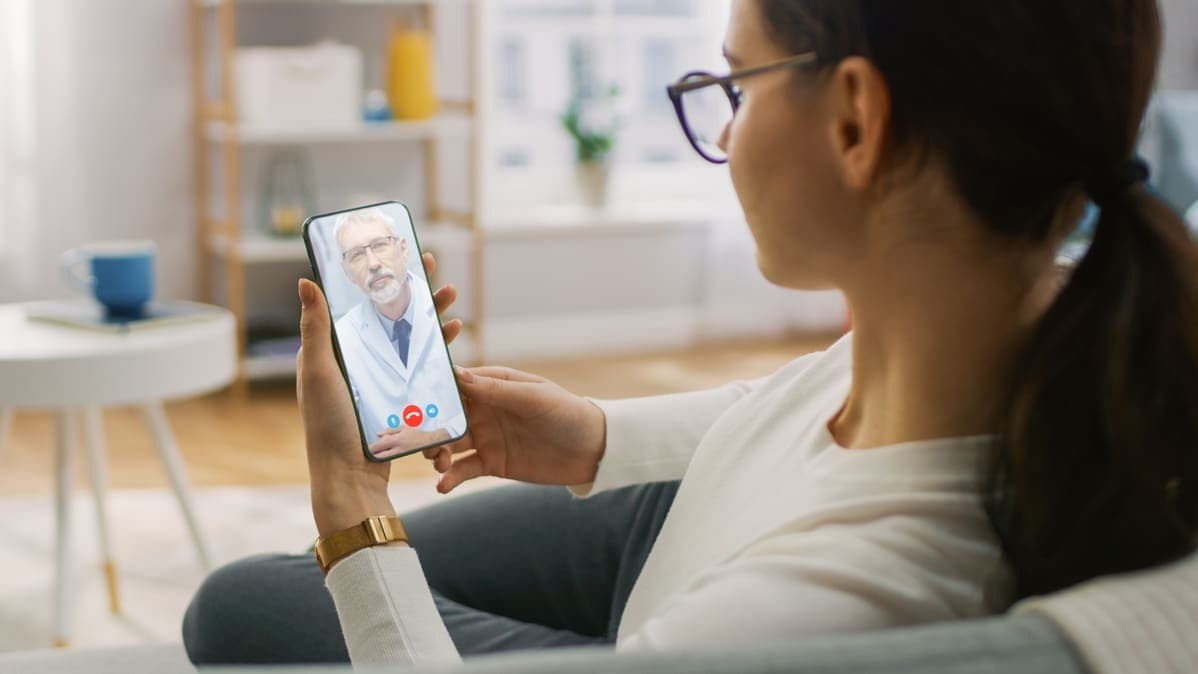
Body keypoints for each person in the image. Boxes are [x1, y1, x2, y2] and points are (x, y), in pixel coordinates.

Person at [183, 0, 1198, 670]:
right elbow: (790, 397)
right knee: (257, 598)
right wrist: (589, 433)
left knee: (243, 608)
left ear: (854, 120)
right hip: (694, 525)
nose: (721, 130)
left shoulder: (849, 589)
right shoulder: (1023, 320)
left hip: (696, 600)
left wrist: (353, 500)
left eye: (734, 86)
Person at [328, 207, 464, 459]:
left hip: (454, 454)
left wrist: (435, 435)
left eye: (379, 245)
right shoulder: (343, 335)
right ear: (346, 270)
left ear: (403, 248)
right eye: (357, 255)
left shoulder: (440, 310)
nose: (373, 264)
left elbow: (466, 407)